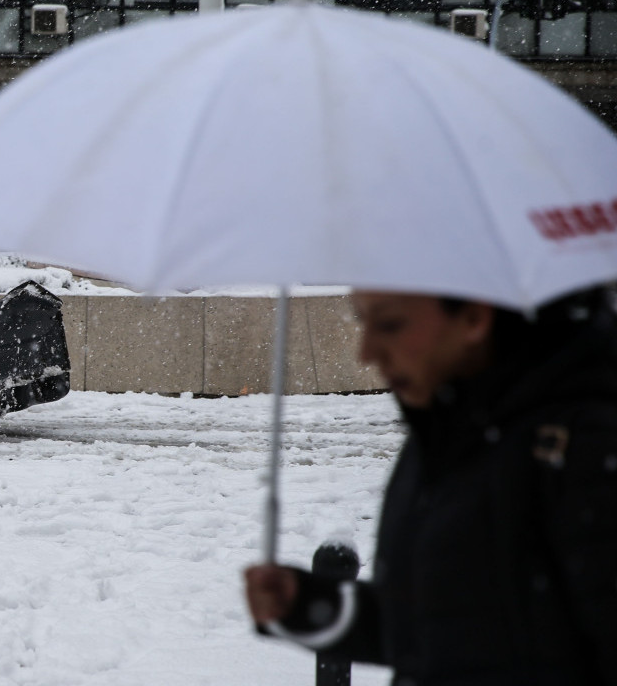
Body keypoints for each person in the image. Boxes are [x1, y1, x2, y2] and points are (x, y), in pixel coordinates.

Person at [243, 289, 617, 685]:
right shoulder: (446, 433)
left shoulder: (589, 448)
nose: (366, 351)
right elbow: (447, 628)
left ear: (474, 318)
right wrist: (314, 608)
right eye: (361, 320)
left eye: (389, 324)